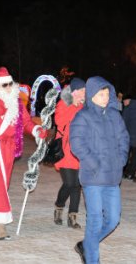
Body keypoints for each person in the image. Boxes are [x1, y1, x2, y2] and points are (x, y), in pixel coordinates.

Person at [0, 67, 47, 240]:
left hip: (8, 150)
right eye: (4, 85)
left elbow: (26, 122)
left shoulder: (16, 103)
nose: (9, 88)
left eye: (10, 84)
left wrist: (36, 129)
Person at [69, 76, 129, 264]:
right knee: (95, 221)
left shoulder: (114, 115)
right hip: (93, 178)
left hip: (112, 178)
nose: (105, 97)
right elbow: (76, 143)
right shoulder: (83, 116)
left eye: (107, 93)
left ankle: (86, 244)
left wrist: (120, 160)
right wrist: (94, 164)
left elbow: (124, 138)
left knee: (112, 220)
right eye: (100, 94)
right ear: (91, 95)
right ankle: (92, 259)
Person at [53, 77, 85, 229]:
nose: (85, 94)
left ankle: (72, 217)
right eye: (82, 91)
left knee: (77, 185)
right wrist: (74, 106)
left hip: (79, 150)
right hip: (65, 150)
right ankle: (59, 206)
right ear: (75, 92)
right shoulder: (63, 103)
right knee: (69, 183)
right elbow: (61, 122)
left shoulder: (84, 107)